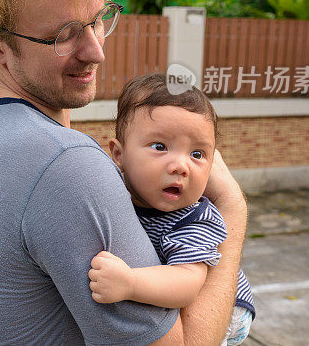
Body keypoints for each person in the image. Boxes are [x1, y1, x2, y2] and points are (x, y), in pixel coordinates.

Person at [0, 0, 248, 345]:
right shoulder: (65, 163)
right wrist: (232, 209)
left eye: (96, 21)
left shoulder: (2, 131)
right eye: (64, 35)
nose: (96, 51)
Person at [88, 73, 255, 345]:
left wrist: (130, 283)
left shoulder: (195, 219)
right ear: (119, 155)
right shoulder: (114, 189)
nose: (181, 165)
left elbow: (188, 284)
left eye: (197, 154)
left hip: (231, 314)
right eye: (160, 146)